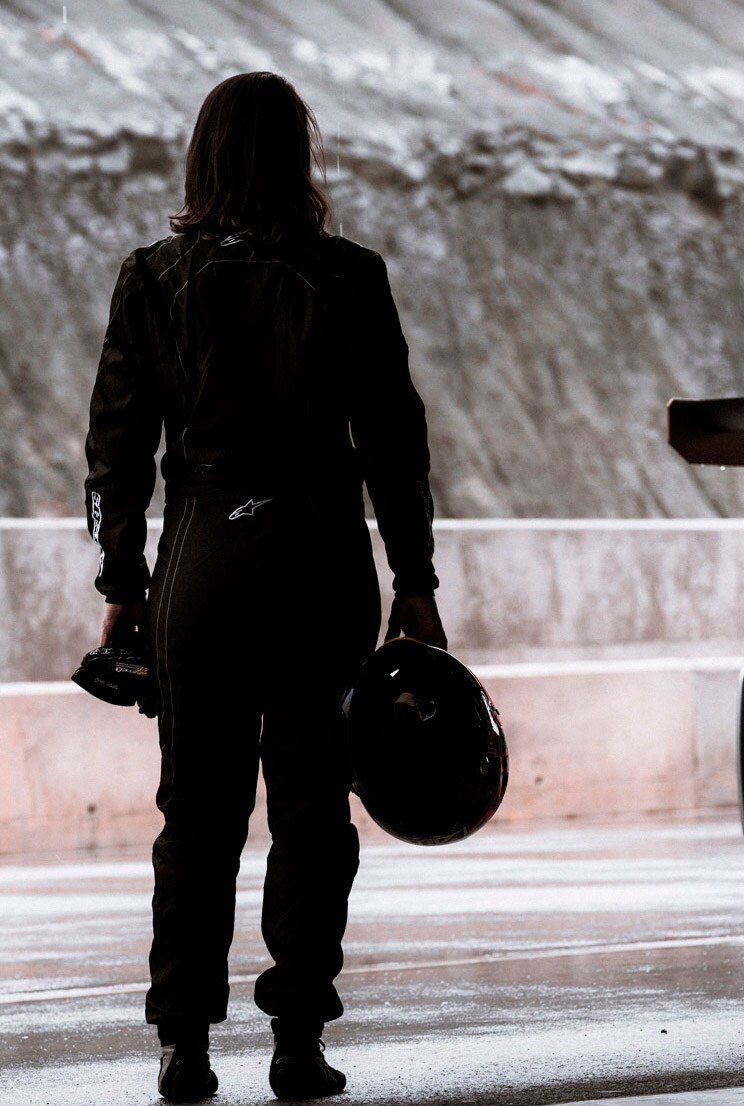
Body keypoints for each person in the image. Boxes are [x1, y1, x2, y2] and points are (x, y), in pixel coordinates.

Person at [83, 71, 447, 1103]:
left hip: (202, 559)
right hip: (319, 556)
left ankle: (183, 1045)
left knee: (194, 812)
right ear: (299, 157)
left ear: (201, 158)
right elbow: (393, 446)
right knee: (312, 812)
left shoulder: (152, 278)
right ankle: (295, 1037)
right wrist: (413, 580)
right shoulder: (348, 276)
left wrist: (122, 582)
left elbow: (115, 447)